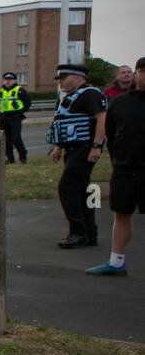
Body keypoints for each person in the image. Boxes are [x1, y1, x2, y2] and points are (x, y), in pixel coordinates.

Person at [85, 57, 144, 275]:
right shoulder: (119, 103)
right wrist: (117, 159)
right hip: (125, 169)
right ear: (137, 74)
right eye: (142, 71)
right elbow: (111, 133)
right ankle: (116, 262)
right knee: (121, 214)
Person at [48, 63, 107, 249]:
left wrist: (96, 146)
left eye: (63, 78)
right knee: (83, 190)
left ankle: (78, 232)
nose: (61, 82)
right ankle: (90, 233)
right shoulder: (71, 97)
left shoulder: (90, 94)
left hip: (84, 149)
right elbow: (64, 121)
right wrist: (58, 147)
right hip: (73, 150)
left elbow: (102, 119)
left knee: (67, 188)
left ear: (77, 77)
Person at [0, 72, 30, 165]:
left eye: (10, 80)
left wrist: (20, 112)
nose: (7, 81)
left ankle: (23, 156)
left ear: (14, 80)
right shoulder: (2, 91)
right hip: (4, 118)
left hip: (15, 117)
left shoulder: (20, 90)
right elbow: (2, 104)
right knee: (6, 139)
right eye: (6, 79)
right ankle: (10, 158)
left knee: (16, 138)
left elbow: (27, 103)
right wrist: (0, 113)